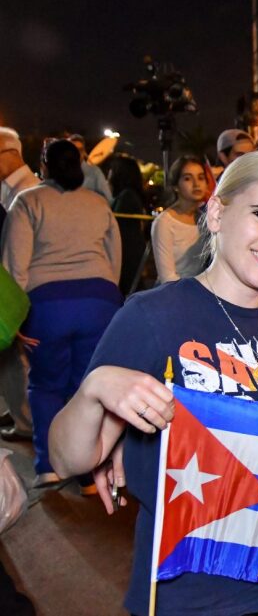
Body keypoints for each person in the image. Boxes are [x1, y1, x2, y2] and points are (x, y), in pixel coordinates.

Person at [47, 151, 258, 616]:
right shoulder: (152, 316)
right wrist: (95, 388)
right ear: (217, 212)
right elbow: (67, 457)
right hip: (186, 594)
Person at [1, 139, 122, 488]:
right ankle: (86, 473)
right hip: (100, 300)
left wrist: (16, 317)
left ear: (44, 164)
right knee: (86, 388)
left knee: (45, 386)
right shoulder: (99, 204)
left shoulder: (28, 202)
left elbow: (15, 267)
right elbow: (114, 258)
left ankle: (49, 466)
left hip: (49, 306)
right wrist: (104, 297)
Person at [0, 127, 39, 441]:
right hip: (17, 290)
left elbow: (18, 256)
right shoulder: (12, 190)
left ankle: (26, 422)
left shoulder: (25, 192)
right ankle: (19, 412)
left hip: (20, 292)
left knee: (18, 360)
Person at [151, 155, 208, 283]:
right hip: (172, 293)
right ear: (176, 186)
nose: (196, 184)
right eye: (187, 178)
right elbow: (167, 277)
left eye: (201, 178)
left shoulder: (206, 219)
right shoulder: (165, 222)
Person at [107, 154, 148, 294]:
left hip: (126, 259)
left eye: (111, 170)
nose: (109, 175)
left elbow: (120, 232)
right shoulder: (129, 196)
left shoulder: (127, 197)